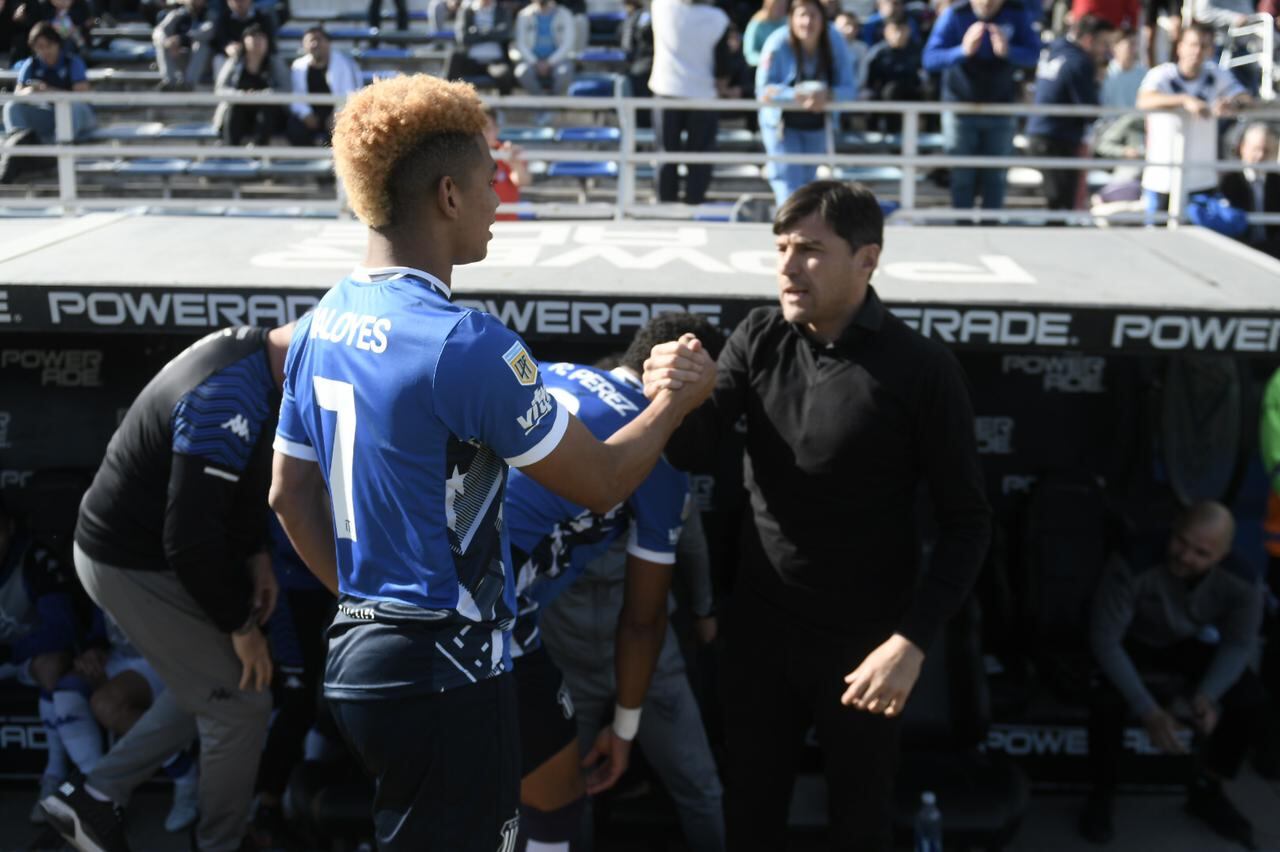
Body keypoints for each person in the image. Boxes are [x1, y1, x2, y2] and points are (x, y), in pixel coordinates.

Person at [267, 74, 716, 852]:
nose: (498, 202)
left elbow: (286, 496)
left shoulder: (318, 324)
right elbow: (606, 481)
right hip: (448, 675)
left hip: (363, 659)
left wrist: (375, 604)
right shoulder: (467, 344)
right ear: (447, 195)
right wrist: (674, 401)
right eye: (488, 182)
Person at [643, 180, 991, 852]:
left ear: (867, 259)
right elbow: (693, 450)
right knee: (750, 817)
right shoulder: (759, 335)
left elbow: (969, 524)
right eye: (780, 248)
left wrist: (910, 642)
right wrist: (671, 396)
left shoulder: (923, 370)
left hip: (866, 650)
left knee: (859, 825)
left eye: (809, 249)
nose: (787, 266)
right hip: (759, 639)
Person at [39, 322, 290, 852]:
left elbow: (242, 480)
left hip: (144, 554)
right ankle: (220, 843)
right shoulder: (227, 394)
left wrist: (257, 554)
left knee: (207, 685)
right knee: (240, 701)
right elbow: (190, 542)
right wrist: (240, 625)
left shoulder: (263, 361)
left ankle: (93, 798)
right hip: (130, 562)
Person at [500, 313, 725, 852]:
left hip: (401, 587)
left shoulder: (545, 372)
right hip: (486, 622)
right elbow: (643, 623)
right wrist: (624, 734)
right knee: (550, 811)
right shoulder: (658, 471)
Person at [539, 498, 726, 852]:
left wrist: (704, 608)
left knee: (699, 785)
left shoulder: (655, 463)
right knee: (567, 794)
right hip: (566, 651)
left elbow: (690, 538)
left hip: (651, 655)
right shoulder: (541, 453)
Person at [1082, 503, 1266, 849]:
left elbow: (1240, 644)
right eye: (1181, 541)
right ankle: (1101, 795)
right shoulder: (1133, 560)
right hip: (1131, 638)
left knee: (1249, 697)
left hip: (1184, 641)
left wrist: (1207, 695)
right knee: (1106, 698)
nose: (1185, 557)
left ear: (1223, 554)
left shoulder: (1242, 580)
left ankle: (1208, 789)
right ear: (1173, 528)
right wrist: (1148, 710)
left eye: (1201, 553)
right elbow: (1105, 640)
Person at [0, 504, 103, 824]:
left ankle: (55, 773)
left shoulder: (33, 560)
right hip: (10, 656)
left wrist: (11, 653)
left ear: (7, 528)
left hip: (24, 655)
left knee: (53, 666)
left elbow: (62, 628)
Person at [78, 610, 200, 834]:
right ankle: (86, 790)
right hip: (117, 653)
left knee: (107, 704)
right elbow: (100, 612)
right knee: (67, 686)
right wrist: (92, 646)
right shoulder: (98, 574)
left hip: (163, 657)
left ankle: (185, 775)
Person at [923, 0, 1039, 214]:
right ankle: (963, 224)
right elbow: (930, 59)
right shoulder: (955, 14)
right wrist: (962, 51)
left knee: (995, 175)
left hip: (1001, 108)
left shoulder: (1017, 13)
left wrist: (1008, 51)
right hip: (961, 107)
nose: (987, 2)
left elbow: (1033, 55)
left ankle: (991, 222)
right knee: (962, 175)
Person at [1136, 21, 1251, 215]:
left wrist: (1232, 104)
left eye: (1203, 46)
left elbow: (1245, 97)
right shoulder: (1162, 75)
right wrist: (1184, 100)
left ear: (1210, 50)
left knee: (1199, 238)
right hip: (1161, 176)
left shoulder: (1216, 75)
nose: (1196, 51)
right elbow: (1144, 100)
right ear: (1180, 46)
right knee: (1155, 236)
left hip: (1202, 177)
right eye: (1192, 44)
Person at [756, 0, 857, 206]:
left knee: (807, 188)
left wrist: (827, 94)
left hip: (817, 125)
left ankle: (802, 235)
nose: (807, 21)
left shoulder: (834, 40)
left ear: (823, 19)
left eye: (813, 15)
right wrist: (795, 95)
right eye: (801, 15)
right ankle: (789, 234)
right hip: (781, 126)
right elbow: (763, 91)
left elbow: (849, 88)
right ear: (791, 18)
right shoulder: (777, 42)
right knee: (787, 184)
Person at [1024, 15, 1116, 211]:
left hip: (1040, 134)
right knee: (1061, 205)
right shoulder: (1080, 62)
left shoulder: (1056, 49)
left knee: (1057, 201)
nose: (1107, 51)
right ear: (1089, 40)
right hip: (1058, 139)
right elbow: (1089, 110)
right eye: (1104, 44)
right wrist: (1097, 81)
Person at [647, 0, 730, 205]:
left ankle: (665, 203)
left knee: (666, 154)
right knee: (700, 156)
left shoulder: (660, 6)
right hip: (702, 96)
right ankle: (694, 203)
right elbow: (723, 68)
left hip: (666, 92)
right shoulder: (718, 19)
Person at [0, 22, 93, 184]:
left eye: (48, 46)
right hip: (49, 117)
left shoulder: (72, 62)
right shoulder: (31, 64)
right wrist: (29, 92)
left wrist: (49, 91)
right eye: (39, 47)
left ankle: (55, 151)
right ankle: (19, 147)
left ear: (57, 44)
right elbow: (18, 94)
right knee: (12, 107)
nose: (44, 51)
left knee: (73, 107)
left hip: (78, 118)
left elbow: (82, 96)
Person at [214, 25, 288, 146]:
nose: (258, 41)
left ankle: (258, 150)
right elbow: (220, 89)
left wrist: (262, 95)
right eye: (253, 37)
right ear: (244, 41)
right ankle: (231, 152)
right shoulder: (234, 62)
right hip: (241, 111)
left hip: (268, 115)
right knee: (233, 109)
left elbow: (286, 89)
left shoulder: (275, 62)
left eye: (262, 37)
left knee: (268, 109)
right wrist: (240, 95)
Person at [286, 27, 361, 147]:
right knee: (294, 127)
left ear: (328, 43)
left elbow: (350, 93)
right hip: (310, 116)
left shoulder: (345, 64)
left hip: (335, 114)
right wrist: (306, 114)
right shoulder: (298, 66)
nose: (315, 44)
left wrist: (336, 114)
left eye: (319, 39)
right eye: (310, 40)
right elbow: (296, 96)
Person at [1220, 122, 1280, 258]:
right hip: (1238, 251)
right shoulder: (1229, 181)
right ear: (1242, 148)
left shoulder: (1277, 181)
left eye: (1266, 151)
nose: (1260, 155)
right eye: (1256, 149)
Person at [860, 15, 924, 133]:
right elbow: (869, 82)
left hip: (912, 94)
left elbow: (923, 77)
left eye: (902, 30)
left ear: (909, 30)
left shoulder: (917, 51)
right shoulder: (877, 53)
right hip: (885, 97)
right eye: (894, 30)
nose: (898, 35)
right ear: (886, 32)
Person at [449, 0, 516, 95]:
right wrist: (492, 33)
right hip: (471, 62)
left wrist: (478, 33)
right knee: (454, 58)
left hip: (495, 63)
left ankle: (503, 109)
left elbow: (505, 34)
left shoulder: (503, 11)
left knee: (504, 74)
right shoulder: (467, 11)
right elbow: (463, 38)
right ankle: (451, 101)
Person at [514, 0, 576, 98]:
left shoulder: (564, 14)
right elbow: (521, 44)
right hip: (532, 62)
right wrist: (535, 62)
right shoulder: (523, 15)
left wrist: (549, 62)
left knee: (564, 72)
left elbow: (568, 44)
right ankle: (541, 104)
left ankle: (553, 104)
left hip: (559, 61)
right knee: (522, 72)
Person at [152, 0, 215, 91]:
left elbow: (208, 32)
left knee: (202, 45)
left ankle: (188, 84)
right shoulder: (177, 14)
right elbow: (158, 31)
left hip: (204, 62)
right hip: (180, 56)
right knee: (163, 43)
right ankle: (170, 82)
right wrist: (167, 42)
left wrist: (181, 39)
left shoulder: (210, 14)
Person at [484, 107, 531, 221]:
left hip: (507, 226)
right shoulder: (465, 157)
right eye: (477, 129)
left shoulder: (507, 153)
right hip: (476, 229)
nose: (482, 134)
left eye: (487, 128)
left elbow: (522, 181)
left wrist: (514, 163)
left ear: (497, 130)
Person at [1099, 28, 1145, 108]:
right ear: (1114, 47)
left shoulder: (1145, 74)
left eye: (1136, 44)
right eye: (1131, 44)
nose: (1134, 49)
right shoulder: (1103, 74)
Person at [743, 0, 786, 66]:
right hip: (762, 66)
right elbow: (749, 54)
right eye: (777, 6)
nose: (781, 9)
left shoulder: (788, 22)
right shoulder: (757, 24)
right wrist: (764, 59)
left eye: (783, 6)